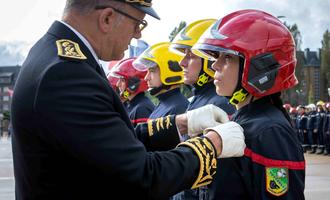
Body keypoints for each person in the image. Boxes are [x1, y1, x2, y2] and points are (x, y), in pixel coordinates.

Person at [11, 1, 246, 199]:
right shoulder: (66, 73)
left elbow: (111, 141)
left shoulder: (56, 57)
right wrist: (212, 144)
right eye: (138, 23)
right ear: (107, 18)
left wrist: (180, 124)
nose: (138, 34)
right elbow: (141, 177)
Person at [193, 9, 305, 199]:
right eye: (216, 56)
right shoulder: (245, 120)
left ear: (260, 67)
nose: (214, 65)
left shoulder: (270, 132)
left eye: (227, 57)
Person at [169, 19, 236, 200]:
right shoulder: (200, 99)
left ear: (208, 61)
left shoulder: (218, 104)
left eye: (190, 56)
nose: (182, 62)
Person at [109, 57, 154, 127]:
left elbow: (142, 136)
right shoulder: (130, 105)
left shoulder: (142, 109)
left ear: (134, 83)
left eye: (122, 80)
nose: (118, 84)